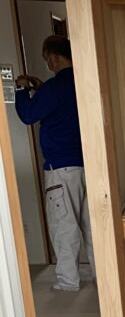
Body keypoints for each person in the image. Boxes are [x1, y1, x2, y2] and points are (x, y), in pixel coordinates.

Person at [15, 35, 94, 291]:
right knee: (92, 226)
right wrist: (41, 90)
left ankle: (68, 282)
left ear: (54, 57)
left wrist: (21, 89)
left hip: (61, 168)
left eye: (47, 58)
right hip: (91, 165)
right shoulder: (85, 81)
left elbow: (28, 115)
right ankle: (102, 277)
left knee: (64, 225)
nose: (47, 64)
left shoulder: (54, 87)